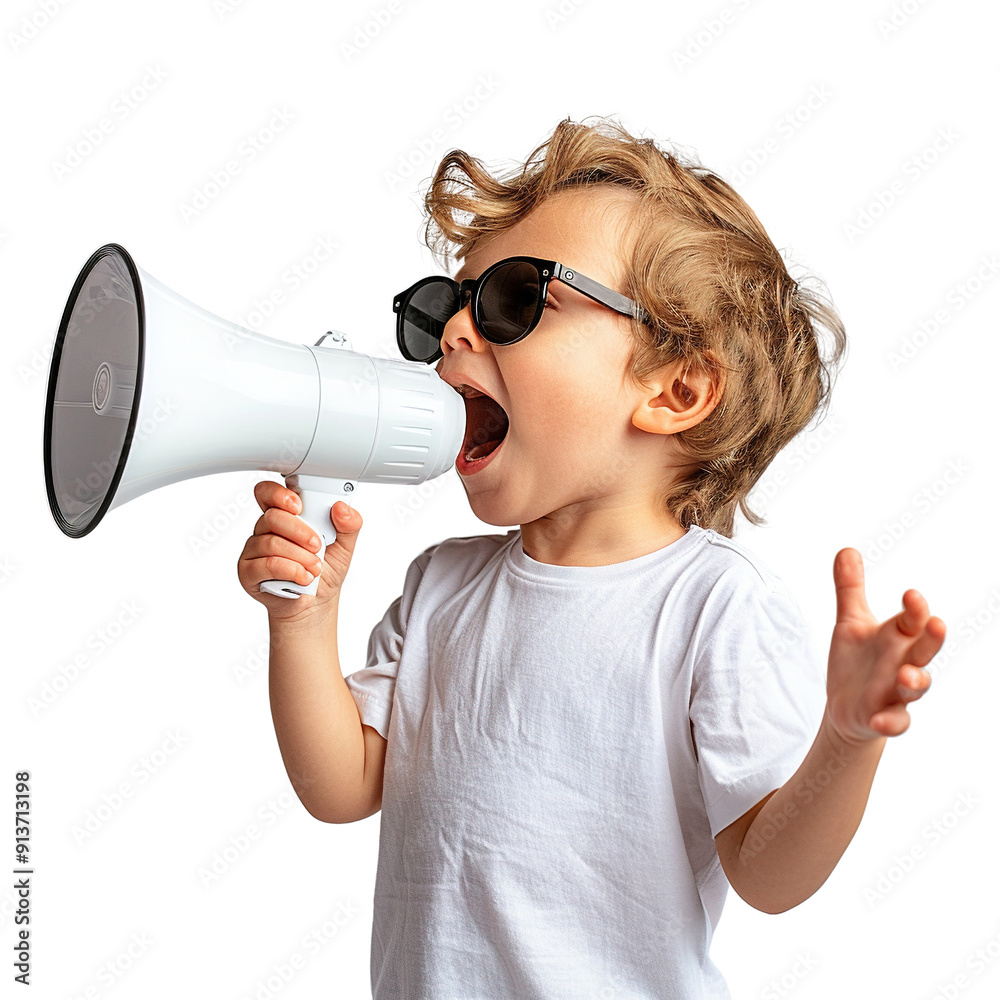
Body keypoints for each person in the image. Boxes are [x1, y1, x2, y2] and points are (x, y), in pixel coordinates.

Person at [237, 116, 946, 999]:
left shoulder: (712, 609)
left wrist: (844, 739)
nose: (457, 332)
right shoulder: (440, 587)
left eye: (512, 300)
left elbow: (770, 877)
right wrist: (301, 621)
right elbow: (342, 786)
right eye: (445, 308)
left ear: (674, 389)